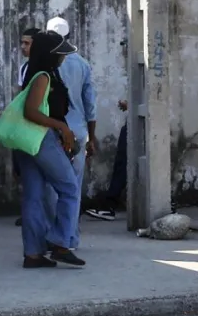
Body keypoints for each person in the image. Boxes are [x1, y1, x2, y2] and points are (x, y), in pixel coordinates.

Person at [15, 31, 85, 268]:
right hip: (43, 137)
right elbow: (31, 112)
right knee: (70, 188)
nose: (63, 58)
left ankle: (33, 254)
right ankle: (60, 243)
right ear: (50, 55)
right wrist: (62, 128)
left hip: (28, 140)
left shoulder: (36, 73)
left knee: (34, 196)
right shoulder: (43, 76)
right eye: (60, 54)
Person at [44, 17, 97, 249]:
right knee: (73, 187)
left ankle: (56, 236)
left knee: (52, 187)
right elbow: (90, 104)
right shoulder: (82, 64)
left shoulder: (46, 62)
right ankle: (71, 237)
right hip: (78, 131)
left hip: (53, 130)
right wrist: (92, 137)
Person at [85, 38, 129, 220]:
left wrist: (130, 105)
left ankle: (110, 205)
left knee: (123, 163)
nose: (124, 53)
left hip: (141, 125)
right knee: (126, 164)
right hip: (137, 123)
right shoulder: (138, 69)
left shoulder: (143, 68)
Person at [14, 27, 40, 228]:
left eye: (27, 43)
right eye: (22, 43)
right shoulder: (25, 68)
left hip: (38, 127)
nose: (23, 47)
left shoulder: (43, 70)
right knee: (24, 171)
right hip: (25, 126)